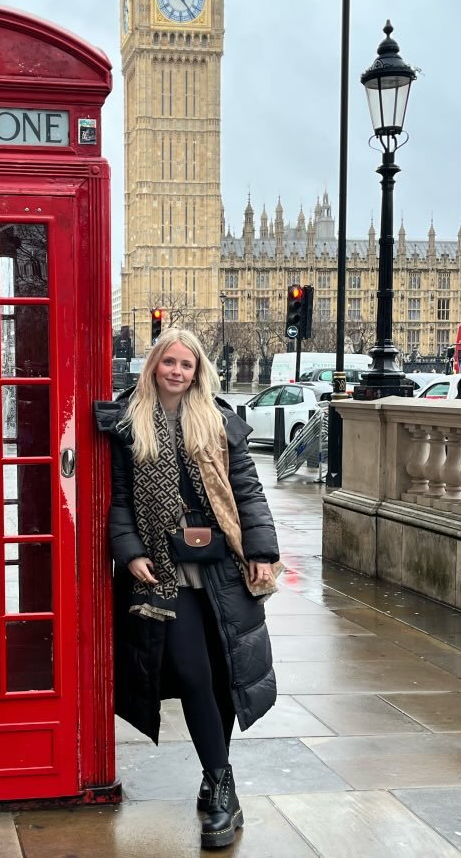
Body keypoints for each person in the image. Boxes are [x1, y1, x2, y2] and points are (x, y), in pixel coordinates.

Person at [94, 328, 282, 850]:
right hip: (163, 568)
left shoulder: (218, 422)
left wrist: (261, 551)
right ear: (154, 365)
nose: (177, 371)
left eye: (187, 364)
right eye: (169, 362)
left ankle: (215, 774)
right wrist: (129, 551)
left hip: (221, 565)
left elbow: (247, 490)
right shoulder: (128, 423)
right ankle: (224, 791)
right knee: (194, 673)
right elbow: (119, 497)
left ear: (198, 372)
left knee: (223, 675)